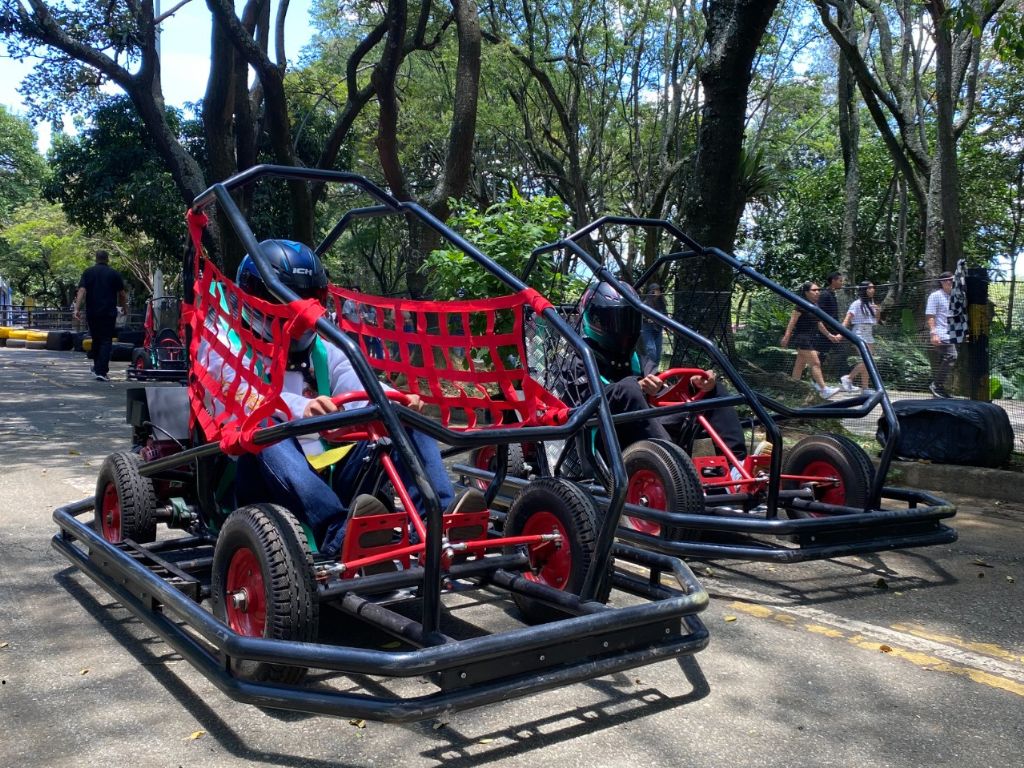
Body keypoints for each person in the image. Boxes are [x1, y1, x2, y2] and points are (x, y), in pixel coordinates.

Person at [199, 239, 460, 559]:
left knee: (401, 416)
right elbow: (244, 397)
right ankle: (339, 535)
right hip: (255, 477)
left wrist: (396, 399)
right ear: (258, 299)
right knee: (265, 427)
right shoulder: (221, 344)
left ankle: (441, 522)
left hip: (328, 473)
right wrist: (301, 408)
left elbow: (359, 383)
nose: (301, 310)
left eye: (309, 298)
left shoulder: (322, 347)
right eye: (288, 298)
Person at [562, 280, 748, 465]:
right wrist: (635, 387)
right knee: (628, 389)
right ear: (594, 320)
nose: (623, 327)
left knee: (711, 389)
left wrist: (693, 385)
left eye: (628, 319)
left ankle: (738, 466)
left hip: (647, 433)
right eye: (615, 320)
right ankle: (677, 471)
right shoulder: (578, 357)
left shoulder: (635, 357)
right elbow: (583, 404)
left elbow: (660, 390)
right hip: (602, 439)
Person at [780, 281, 842, 399]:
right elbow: (792, 321)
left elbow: (818, 323)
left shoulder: (815, 305)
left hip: (811, 339)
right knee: (816, 363)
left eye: (818, 289)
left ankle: (792, 391)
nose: (818, 292)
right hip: (802, 339)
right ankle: (824, 390)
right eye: (814, 290)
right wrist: (786, 337)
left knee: (799, 365)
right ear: (806, 292)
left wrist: (829, 335)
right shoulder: (800, 305)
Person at [73, 250, 127, 382]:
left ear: (96, 259)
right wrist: (124, 307)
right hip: (108, 312)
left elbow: (81, 290)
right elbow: (122, 294)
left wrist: (76, 308)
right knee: (106, 340)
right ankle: (101, 371)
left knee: (96, 339)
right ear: (107, 259)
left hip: (92, 311)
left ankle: (98, 368)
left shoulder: (88, 272)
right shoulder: (114, 274)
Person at [840, 281, 880, 393]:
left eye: (873, 288)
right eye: (870, 288)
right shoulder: (857, 303)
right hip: (859, 332)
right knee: (869, 361)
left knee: (868, 361)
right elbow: (848, 317)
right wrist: (841, 331)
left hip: (869, 332)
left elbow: (876, 321)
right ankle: (848, 378)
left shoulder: (871, 304)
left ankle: (865, 388)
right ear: (864, 290)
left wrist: (877, 311)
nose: (873, 290)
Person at [925, 271, 956, 398]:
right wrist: (933, 333)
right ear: (942, 282)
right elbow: (930, 315)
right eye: (948, 280)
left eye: (953, 279)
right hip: (940, 333)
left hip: (951, 334)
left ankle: (939, 389)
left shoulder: (956, 296)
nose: (951, 282)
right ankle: (936, 385)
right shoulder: (935, 296)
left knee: (945, 360)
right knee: (951, 355)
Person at [816, 271, 844, 377]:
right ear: (833, 281)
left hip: (833, 332)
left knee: (841, 354)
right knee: (820, 357)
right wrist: (827, 333)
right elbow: (818, 314)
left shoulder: (832, 294)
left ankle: (843, 380)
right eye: (840, 281)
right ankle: (816, 382)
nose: (842, 283)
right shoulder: (825, 295)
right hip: (825, 333)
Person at [640, 282, 667, 367]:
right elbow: (640, 316)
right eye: (657, 290)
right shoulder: (645, 303)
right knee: (651, 350)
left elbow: (665, 315)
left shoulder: (661, 303)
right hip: (647, 328)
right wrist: (648, 319)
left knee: (658, 352)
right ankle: (649, 371)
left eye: (659, 289)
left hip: (658, 329)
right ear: (652, 291)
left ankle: (655, 372)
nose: (659, 291)